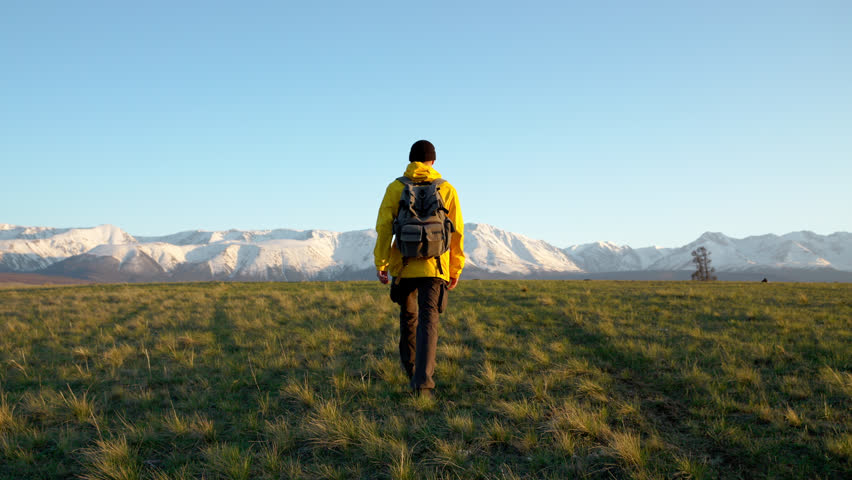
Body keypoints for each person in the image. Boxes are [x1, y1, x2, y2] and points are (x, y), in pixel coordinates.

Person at [374, 139, 465, 397]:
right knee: (429, 321)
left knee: (409, 318)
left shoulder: (395, 187)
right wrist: (455, 268)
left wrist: (381, 262)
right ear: (433, 161)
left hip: (404, 265)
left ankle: (411, 370)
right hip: (435, 267)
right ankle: (423, 384)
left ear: (410, 160)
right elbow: (457, 232)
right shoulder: (447, 188)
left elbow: (384, 227)